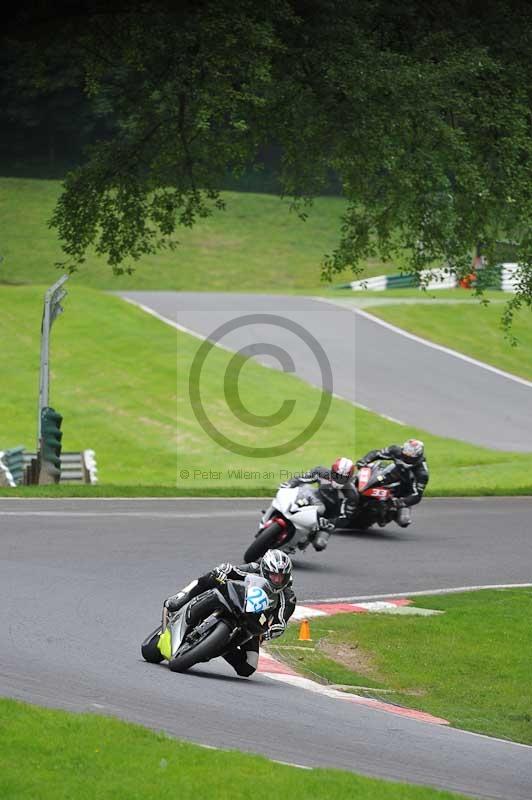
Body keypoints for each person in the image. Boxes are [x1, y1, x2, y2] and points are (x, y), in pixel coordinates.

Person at [163, 549, 296, 678]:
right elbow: (233, 570)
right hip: (235, 602)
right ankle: (181, 599)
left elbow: (280, 621)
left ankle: (217, 646)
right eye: (274, 575)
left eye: (281, 577)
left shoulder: (288, 597)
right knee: (213, 576)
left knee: (248, 668)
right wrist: (223, 571)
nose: (277, 580)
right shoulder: (254, 568)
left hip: (253, 623)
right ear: (265, 570)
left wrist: (271, 631)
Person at [281, 457, 358, 550]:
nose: (339, 479)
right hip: (313, 500)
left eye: (343, 478)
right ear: (332, 471)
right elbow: (302, 479)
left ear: (349, 478)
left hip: (328, 518)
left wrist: (330, 523)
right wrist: (289, 485)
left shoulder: (352, 495)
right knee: (296, 495)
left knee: (319, 545)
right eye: (336, 475)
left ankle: (302, 541)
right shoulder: (321, 472)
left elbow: (345, 518)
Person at [356, 439, 429, 527]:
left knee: (404, 521)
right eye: (406, 452)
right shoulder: (396, 450)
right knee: (368, 482)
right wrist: (364, 460)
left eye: (411, 454)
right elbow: (377, 453)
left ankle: (383, 517)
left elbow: (417, 496)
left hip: (405, 491)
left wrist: (400, 502)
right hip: (392, 474)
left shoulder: (422, 473)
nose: (407, 455)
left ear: (418, 455)